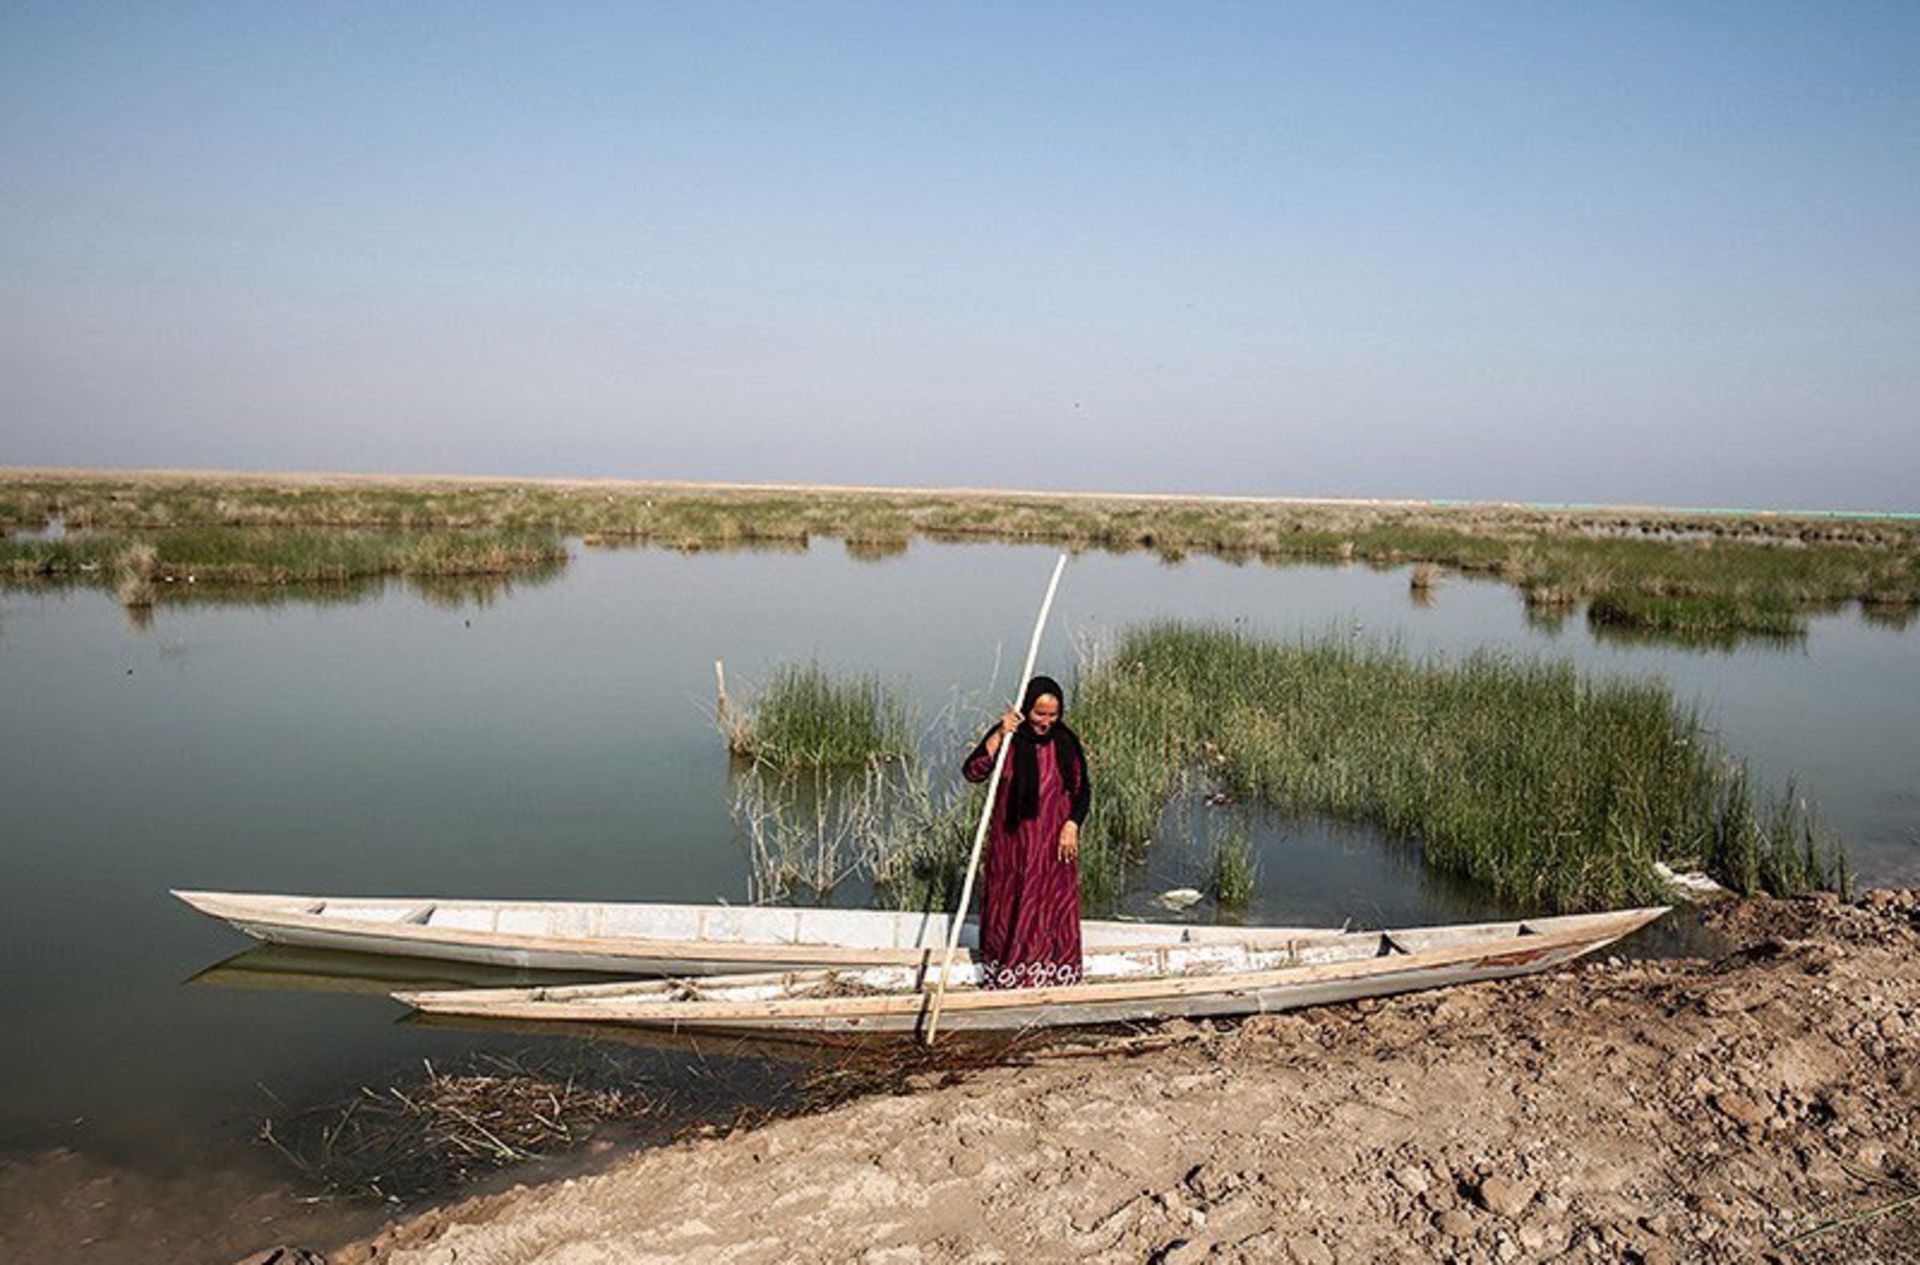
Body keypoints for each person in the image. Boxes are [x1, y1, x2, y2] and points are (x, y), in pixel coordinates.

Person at [961, 674, 1091, 988]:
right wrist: (999, 733)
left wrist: (1072, 824)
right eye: (1039, 714)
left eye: (1053, 715)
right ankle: (1010, 971)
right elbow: (973, 772)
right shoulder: (1009, 736)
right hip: (1013, 841)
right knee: (1012, 899)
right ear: (1026, 709)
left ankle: (1055, 970)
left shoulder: (1065, 741)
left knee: (1051, 902)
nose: (1046, 722)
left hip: (1054, 841)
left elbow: (1082, 790)